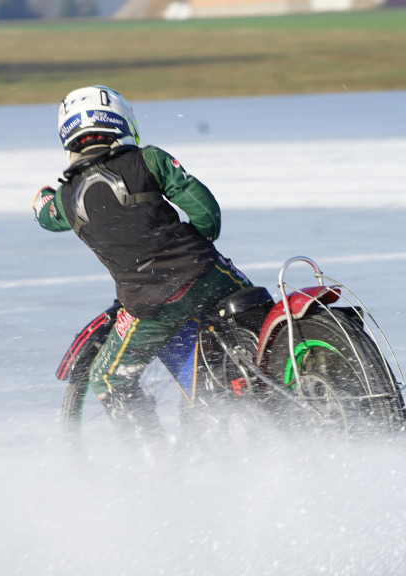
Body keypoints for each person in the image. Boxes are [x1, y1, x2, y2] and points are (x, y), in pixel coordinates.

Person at [33, 85, 252, 457]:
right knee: (250, 311)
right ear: (122, 122)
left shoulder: (67, 200)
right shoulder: (150, 160)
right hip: (208, 273)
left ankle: (157, 458)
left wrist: (41, 199)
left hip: (150, 304)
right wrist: (195, 249)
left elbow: (45, 216)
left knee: (107, 377)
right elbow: (205, 211)